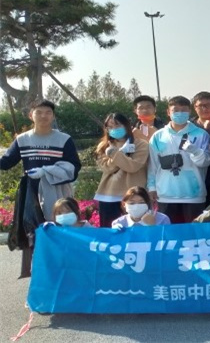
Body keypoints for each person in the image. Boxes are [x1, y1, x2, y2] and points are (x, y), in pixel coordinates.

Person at [1, 99, 81, 276]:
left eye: (48, 112)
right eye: (39, 112)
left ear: (53, 116)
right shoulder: (23, 139)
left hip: (57, 191)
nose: (43, 116)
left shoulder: (64, 139)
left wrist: (47, 171)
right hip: (31, 192)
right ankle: (39, 274)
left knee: (59, 228)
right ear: (31, 115)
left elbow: (74, 168)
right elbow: (6, 162)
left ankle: (65, 271)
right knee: (34, 232)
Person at [147, 95, 210, 224]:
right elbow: (153, 164)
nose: (179, 113)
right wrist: (151, 187)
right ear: (168, 112)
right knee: (168, 233)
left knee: (193, 232)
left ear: (189, 112)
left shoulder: (201, 134)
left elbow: (205, 162)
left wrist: (195, 151)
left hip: (193, 194)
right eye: (175, 110)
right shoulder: (158, 136)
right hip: (165, 194)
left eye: (183, 110)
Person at [94, 113, 149, 227]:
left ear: (126, 125)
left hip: (135, 196)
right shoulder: (104, 146)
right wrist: (122, 154)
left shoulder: (141, 144)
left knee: (137, 230)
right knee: (110, 230)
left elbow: (133, 167)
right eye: (110, 127)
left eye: (117, 125)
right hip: (108, 195)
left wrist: (114, 154)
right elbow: (107, 168)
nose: (114, 129)